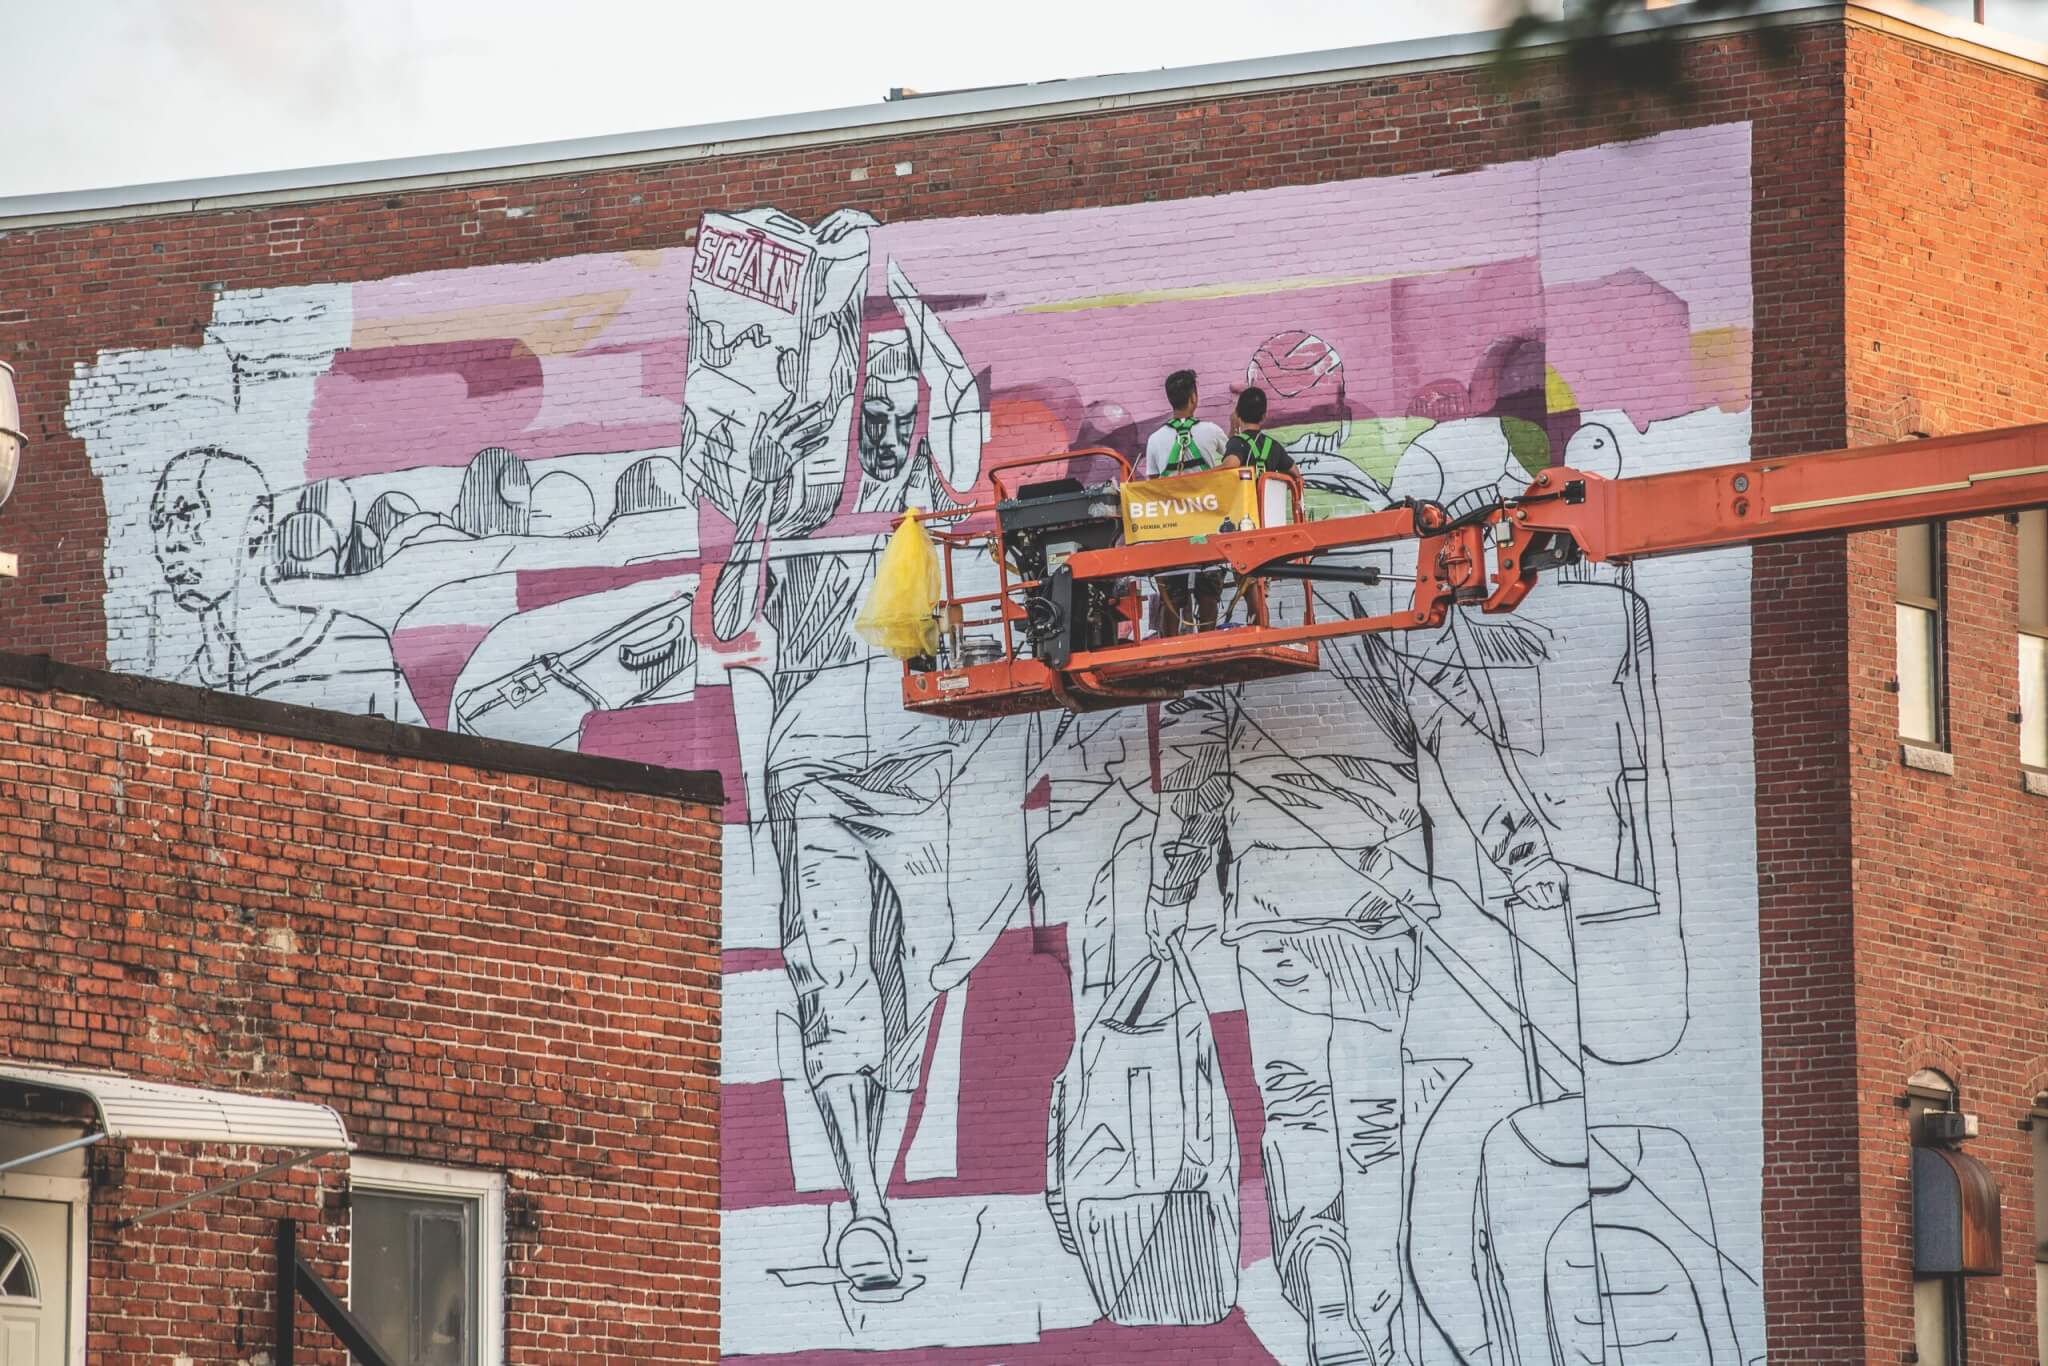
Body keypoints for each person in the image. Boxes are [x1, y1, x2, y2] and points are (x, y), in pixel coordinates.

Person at [148, 446, 423, 724]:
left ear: (256, 522)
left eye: (188, 516)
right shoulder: (179, 692)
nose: (170, 541)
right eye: (159, 521)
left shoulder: (358, 648)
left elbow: (423, 759)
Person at [1144, 370, 1231, 633]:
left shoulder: (1155, 440)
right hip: (1207, 529)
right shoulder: (1211, 432)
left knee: (1173, 596)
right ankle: (1210, 644)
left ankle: (1170, 646)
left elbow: (1153, 485)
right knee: (1208, 593)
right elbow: (1232, 466)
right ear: (1194, 397)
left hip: (1173, 531)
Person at [1224, 386, 1297, 475]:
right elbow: (1295, 473)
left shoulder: (1237, 442)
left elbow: (1230, 465)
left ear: (1237, 413)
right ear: (1264, 417)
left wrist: (1205, 474)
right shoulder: (1274, 446)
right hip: (1268, 489)